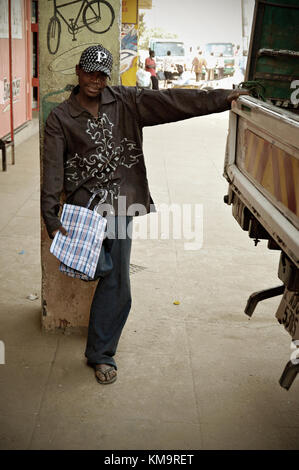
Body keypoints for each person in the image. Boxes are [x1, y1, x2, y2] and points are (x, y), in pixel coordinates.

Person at [41, 44, 248, 385]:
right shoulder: (60, 118)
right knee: (98, 267)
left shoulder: (125, 101)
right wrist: (51, 218)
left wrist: (222, 98)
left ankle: (101, 354)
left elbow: (174, 101)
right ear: (78, 72)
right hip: (84, 206)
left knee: (118, 277)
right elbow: (52, 171)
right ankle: (107, 269)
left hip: (121, 200)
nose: (96, 80)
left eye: (102, 74)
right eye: (90, 72)